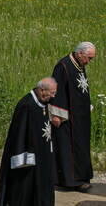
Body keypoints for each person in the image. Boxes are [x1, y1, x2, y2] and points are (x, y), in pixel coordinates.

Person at [0, 77, 58, 206]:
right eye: (51, 92)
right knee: (24, 190)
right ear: (41, 90)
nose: (53, 96)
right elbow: (19, 134)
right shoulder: (26, 105)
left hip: (42, 155)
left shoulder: (43, 102)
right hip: (29, 158)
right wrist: (23, 158)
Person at [50, 41, 95, 193]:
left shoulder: (79, 65)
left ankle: (82, 177)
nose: (89, 62)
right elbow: (57, 92)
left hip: (80, 116)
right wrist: (57, 114)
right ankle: (70, 181)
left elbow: (81, 88)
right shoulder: (63, 66)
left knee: (81, 147)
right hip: (66, 117)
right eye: (88, 58)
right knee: (67, 148)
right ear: (79, 53)